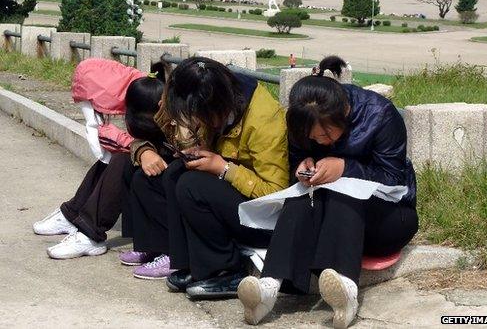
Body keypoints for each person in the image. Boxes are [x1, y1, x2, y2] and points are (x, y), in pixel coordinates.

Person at [237, 56, 418, 328]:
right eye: (313, 138)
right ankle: (268, 287)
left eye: (326, 135)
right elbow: (297, 158)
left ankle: (346, 291)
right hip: (328, 224)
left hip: (388, 218)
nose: (320, 142)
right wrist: (302, 167)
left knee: (343, 192)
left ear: (344, 112)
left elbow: (394, 179)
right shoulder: (302, 123)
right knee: (302, 195)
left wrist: (345, 167)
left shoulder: (380, 114)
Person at [129, 57, 290, 291]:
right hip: (233, 198)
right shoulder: (210, 98)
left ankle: (226, 270)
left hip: (262, 217)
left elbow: (276, 194)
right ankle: (185, 262)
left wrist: (223, 168)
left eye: (194, 117)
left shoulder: (263, 118)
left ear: (214, 107)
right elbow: (184, 143)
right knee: (169, 172)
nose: (193, 122)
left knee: (191, 184)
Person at [33, 63, 167, 260]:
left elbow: (178, 151)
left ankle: (90, 233)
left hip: (181, 186)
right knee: (117, 156)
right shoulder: (161, 112)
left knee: (123, 161)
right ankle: (73, 214)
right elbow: (118, 139)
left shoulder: (178, 119)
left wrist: (139, 149)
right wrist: (141, 149)